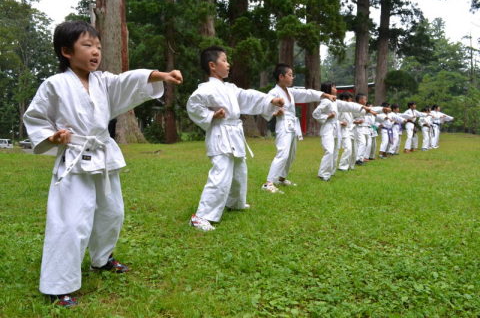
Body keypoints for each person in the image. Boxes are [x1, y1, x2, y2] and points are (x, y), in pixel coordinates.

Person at [23, 21, 183, 307]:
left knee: (112, 212)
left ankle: (102, 258)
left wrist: (162, 75)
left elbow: (129, 81)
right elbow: (35, 118)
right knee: (71, 220)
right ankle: (58, 285)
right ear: (66, 51)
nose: (95, 52)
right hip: (74, 159)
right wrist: (53, 135)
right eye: (87, 45)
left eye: (98, 46)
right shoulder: (55, 85)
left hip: (103, 157)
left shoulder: (103, 81)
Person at [187, 46, 284, 231]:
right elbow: (193, 105)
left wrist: (270, 100)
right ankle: (200, 216)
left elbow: (248, 96)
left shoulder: (229, 88)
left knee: (240, 171)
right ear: (212, 66)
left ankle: (235, 203)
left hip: (234, 133)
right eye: (224, 60)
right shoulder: (206, 89)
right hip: (220, 134)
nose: (228, 64)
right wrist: (211, 115)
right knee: (221, 174)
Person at [261, 63, 335, 193]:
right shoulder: (274, 92)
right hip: (283, 125)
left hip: (292, 125)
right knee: (282, 153)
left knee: (291, 155)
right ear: (281, 76)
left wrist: (325, 95)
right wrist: (274, 113)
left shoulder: (290, 91)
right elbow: (265, 108)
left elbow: (307, 93)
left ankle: (281, 178)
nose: (292, 77)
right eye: (290, 75)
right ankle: (268, 183)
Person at [312, 83, 371, 181]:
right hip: (327, 129)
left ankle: (330, 172)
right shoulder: (326, 101)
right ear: (328, 89)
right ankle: (322, 174)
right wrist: (327, 116)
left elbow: (349, 105)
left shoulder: (334, 101)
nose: (335, 89)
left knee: (335, 151)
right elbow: (315, 114)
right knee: (329, 151)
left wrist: (365, 109)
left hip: (336, 130)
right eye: (333, 87)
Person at [337, 92, 357, 171]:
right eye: (350, 99)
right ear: (345, 99)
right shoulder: (339, 108)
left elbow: (351, 120)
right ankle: (342, 166)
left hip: (351, 130)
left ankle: (351, 165)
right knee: (348, 148)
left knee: (354, 149)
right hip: (344, 130)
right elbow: (334, 119)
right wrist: (341, 122)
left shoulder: (349, 109)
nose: (351, 100)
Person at [352, 93, 370, 165]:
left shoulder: (364, 108)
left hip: (364, 127)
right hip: (358, 127)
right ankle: (358, 159)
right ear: (360, 100)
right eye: (364, 99)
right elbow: (350, 118)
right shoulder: (354, 108)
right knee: (362, 143)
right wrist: (356, 122)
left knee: (364, 143)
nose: (366, 101)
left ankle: (360, 158)